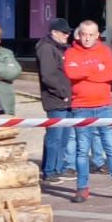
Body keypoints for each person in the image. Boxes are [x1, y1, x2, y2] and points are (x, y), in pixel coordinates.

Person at [63, 20, 112, 202]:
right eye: (84, 34)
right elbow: (71, 74)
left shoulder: (105, 51)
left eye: (91, 35)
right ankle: (82, 188)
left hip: (104, 107)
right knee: (82, 150)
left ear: (97, 35)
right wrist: (96, 69)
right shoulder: (71, 52)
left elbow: (110, 74)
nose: (87, 38)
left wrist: (84, 71)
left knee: (111, 149)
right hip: (81, 108)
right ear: (79, 35)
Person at [35, 18, 74, 182]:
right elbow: (48, 76)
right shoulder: (46, 48)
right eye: (64, 33)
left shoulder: (61, 48)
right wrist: (63, 92)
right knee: (54, 136)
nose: (67, 35)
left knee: (64, 137)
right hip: (56, 99)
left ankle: (59, 167)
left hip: (66, 99)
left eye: (68, 32)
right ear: (54, 33)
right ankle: (50, 170)